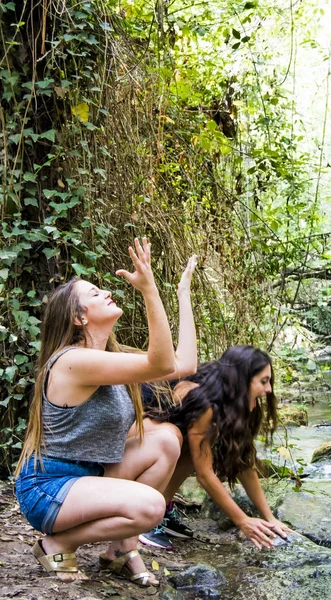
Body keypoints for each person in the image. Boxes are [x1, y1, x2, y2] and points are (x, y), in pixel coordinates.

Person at [15, 238, 196, 586]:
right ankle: (58, 543)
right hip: (49, 488)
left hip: (89, 477)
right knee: (150, 508)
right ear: (79, 317)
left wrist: (182, 293)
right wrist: (149, 290)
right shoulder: (73, 361)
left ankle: (119, 550)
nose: (106, 293)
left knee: (166, 441)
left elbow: (183, 363)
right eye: (95, 293)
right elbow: (159, 361)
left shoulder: (108, 357)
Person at [139, 345, 295, 551]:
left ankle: (162, 509)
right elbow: (204, 474)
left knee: (194, 448)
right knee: (187, 445)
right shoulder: (205, 402)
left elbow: (244, 461)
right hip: (136, 440)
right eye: (263, 382)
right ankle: (146, 518)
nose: (269, 390)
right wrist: (242, 520)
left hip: (165, 442)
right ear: (242, 381)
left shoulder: (237, 399)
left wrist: (270, 517)